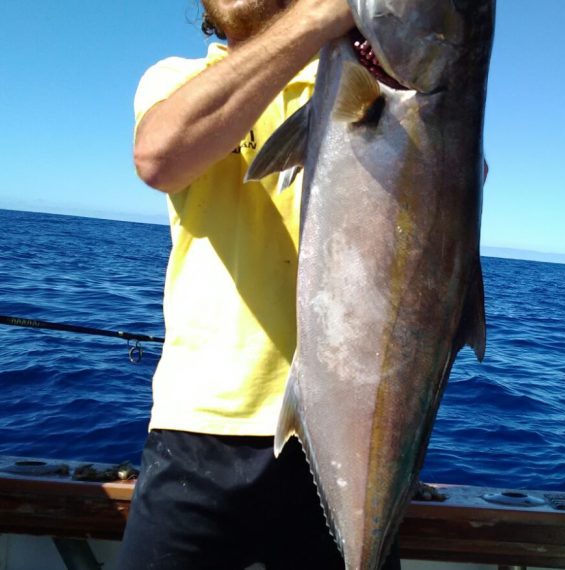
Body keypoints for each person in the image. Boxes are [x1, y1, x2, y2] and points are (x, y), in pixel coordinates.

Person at [118, 0, 402, 568]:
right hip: (200, 433)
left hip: (347, 439)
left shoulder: (371, 82)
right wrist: (323, 18)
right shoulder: (179, 80)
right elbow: (160, 157)